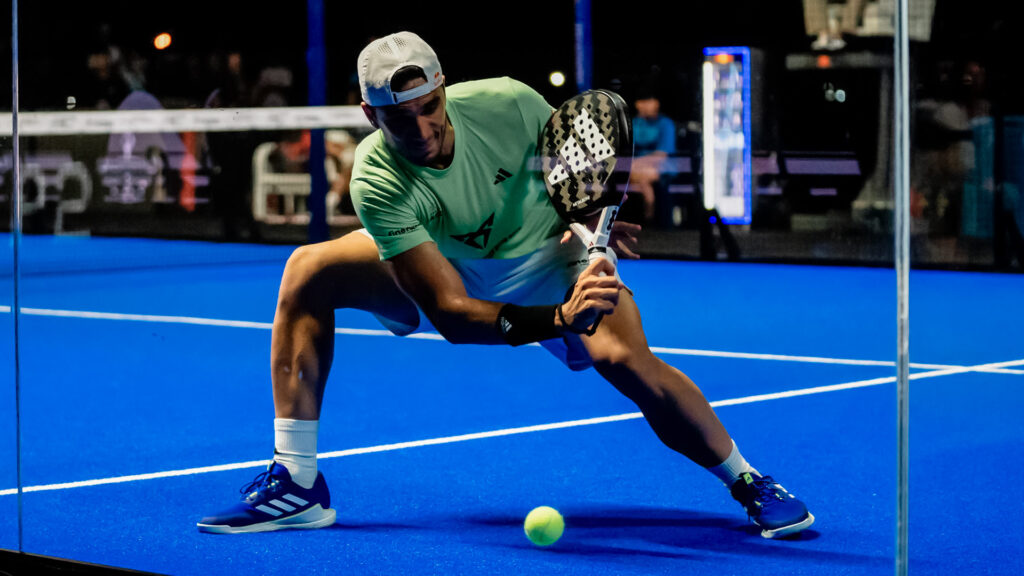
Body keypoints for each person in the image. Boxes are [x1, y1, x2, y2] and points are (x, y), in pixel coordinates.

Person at [197, 31, 814, 539]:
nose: (420, 127)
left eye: (428, 106)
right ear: (368, 115)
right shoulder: (376, 176)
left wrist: (590, 222)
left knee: (624, 358)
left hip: (553, 257)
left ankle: (748, 480)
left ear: (442, 89)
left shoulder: (507, 102)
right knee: (308, 270)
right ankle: (297, 482)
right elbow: (451, 315)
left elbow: (575, 171)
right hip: (452, 268)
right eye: (396, 117)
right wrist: (556, 321)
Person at [630, 89, 677, 225]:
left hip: (661, 166)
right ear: (639, 104)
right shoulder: (633, 123)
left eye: (655, 103)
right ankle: (648, 207)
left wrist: (636, 163)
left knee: (643, 173)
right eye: (649, 102)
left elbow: (662, 154)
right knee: (643, 178)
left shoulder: (665, 123)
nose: (654, 106)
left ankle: (648, 212)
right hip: (636, 168)